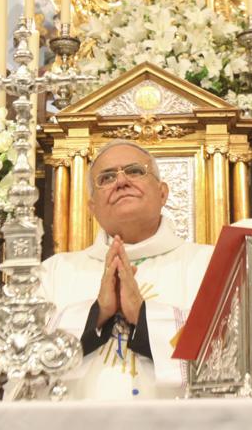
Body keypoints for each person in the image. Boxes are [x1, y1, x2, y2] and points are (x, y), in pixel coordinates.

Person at [39, 140, 213, 400]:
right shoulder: (53, 272)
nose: (121, 181)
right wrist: (96, 314)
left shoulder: (208, 264)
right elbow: (17, 359)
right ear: (92, 208)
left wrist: (142, 316)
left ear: (163, 193)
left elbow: (227, 353)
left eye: (134, 171)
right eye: (106, 177)